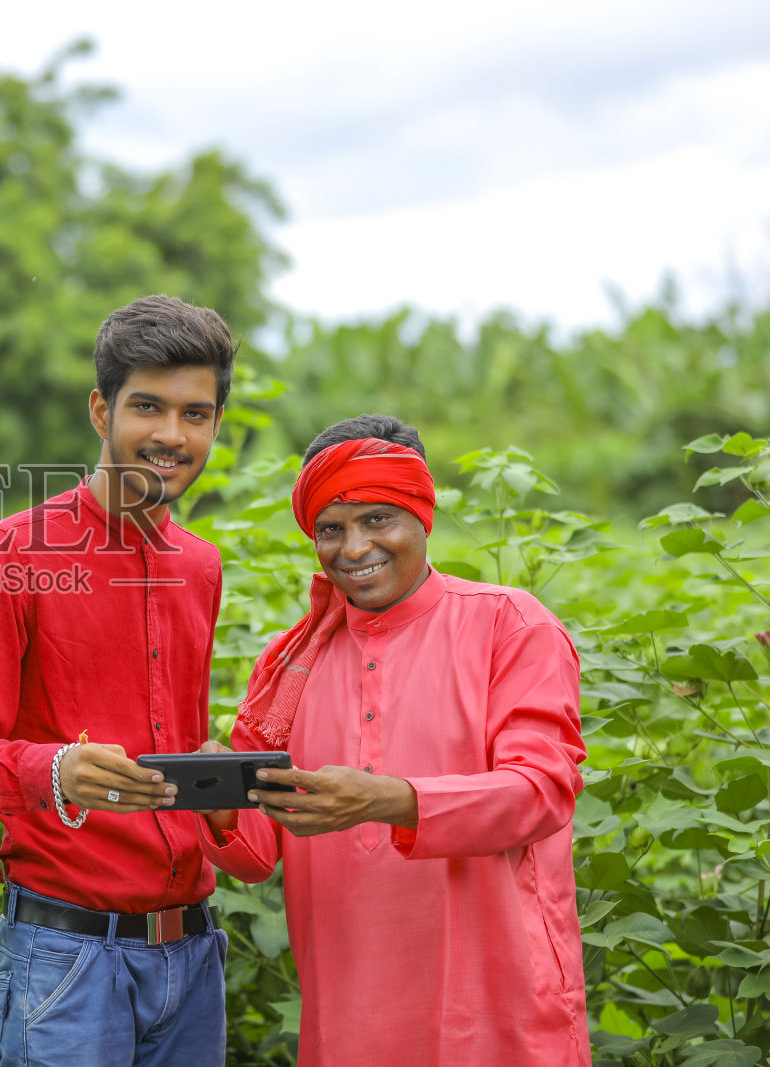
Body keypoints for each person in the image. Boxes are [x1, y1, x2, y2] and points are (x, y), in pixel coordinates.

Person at [201, 413, 590, 1066]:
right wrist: (216, 801)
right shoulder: (291, 662)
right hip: (349, 1015)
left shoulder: (513, 625)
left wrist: (387, 799)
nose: (353, 548)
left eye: (377, 519)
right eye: (331, 528)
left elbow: (541, 792)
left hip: (497, 1011)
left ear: (422, 516)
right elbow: (255, 851)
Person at [0, 295, 236, 1067]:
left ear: (216, 424)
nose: (172, 434)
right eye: (148, 406)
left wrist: (221, 779)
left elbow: (180, 739)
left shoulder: (201, 565)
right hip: (67, 963)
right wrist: (54, 768)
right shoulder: (11, 552)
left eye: (195, 413)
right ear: (101, 410)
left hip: (193, 957)